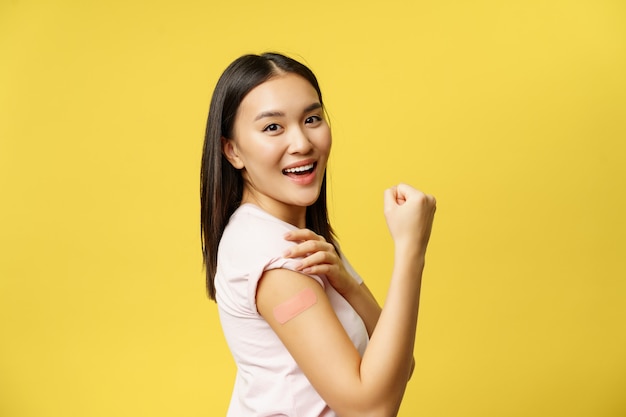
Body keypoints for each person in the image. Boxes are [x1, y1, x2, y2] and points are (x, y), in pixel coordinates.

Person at [200, 52, 436, 417]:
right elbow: (371, 409)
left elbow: (401, 368)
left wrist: (350, 287)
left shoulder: (300, 239)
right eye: (272, 127)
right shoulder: (278, 255)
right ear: (232, 151)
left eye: (312, 119)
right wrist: (410, 250)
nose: (301, 143)